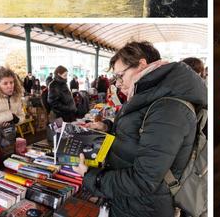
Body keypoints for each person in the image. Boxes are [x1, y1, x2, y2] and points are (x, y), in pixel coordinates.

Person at [73, 41, 207, 217]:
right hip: (130, 202)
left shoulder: (168, 108)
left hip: (143, 207)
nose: (117, 83)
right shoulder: (151, 96)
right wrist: (107, 126)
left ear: (141, 65)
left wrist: (91, 176)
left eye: (120, 75)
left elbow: (144, 180)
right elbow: (141, 134)